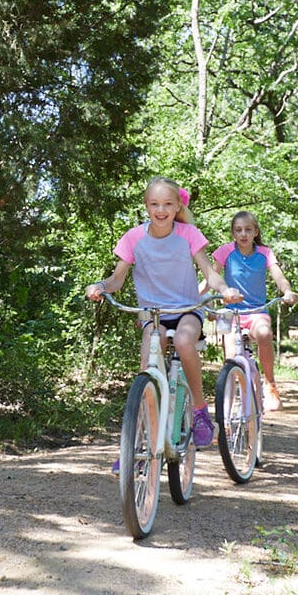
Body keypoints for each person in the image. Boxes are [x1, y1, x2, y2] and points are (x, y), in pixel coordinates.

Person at [85, 177, 242, 449]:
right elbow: (117, 280)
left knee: (183, 341)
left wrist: (226, 289)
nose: (161, 210)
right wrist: (100, 286)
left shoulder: (188, 234)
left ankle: (200, 412)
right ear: (146, 206)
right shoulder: (133, 238)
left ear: (177, 206)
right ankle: (136, 444)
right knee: (146, 370)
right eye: (155, 204)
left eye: (168, 204)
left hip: (186, 310)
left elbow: (209, 274)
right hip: (153, 314)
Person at [211, 210, 298, 411]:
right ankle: (228, 409)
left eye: (248, 230)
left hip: (257, 311)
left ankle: (270, 385)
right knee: (231, 360)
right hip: (231, 314)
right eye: (238, 230)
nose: (243, 234)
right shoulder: (225, 252)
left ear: (255, 232)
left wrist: (287, 291)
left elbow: (278, 275)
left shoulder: (264, 253)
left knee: (265, 334)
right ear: (233, 233)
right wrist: (197, 297)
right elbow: (210, 278)